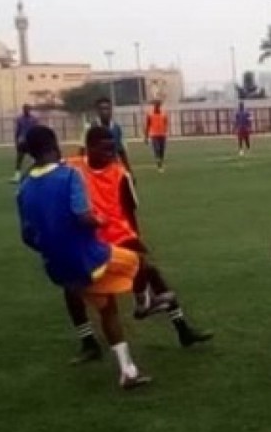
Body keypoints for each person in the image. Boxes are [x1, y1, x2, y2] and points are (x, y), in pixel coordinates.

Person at [15, 126, 150, 389]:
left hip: (58, 269)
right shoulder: (69, 175)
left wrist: (53, 247)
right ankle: (145, 301)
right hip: (89, 258)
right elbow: (83, 217)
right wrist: (100, 220)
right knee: (138, 259)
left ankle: (128, 371)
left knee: (107, 307)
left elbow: (27, 236)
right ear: (54, 145)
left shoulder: (23, 188)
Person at [65, 125, 212, 360]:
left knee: (149, 270)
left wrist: (136, 241)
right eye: (105, 149)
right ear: (89, 148)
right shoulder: (72, 168)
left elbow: (130, 212)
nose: (110, 154)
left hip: (119, 236)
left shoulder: (120, 173)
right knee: (71, 285)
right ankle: (88, 342)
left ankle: (182, 329)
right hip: (89, 239)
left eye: (113, 149)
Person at [87, 97, 131, 172]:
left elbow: (121, 151)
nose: (105, 112)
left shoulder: (117, 128)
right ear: (97, 111)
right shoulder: (90, 127)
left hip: (113, 169)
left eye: (108, 109)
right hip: (96, 169)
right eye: (102, 109)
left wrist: (129, 171)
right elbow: (82, 151)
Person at [12, 104, 37, 182]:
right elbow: (18, 131)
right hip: (23, 142)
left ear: (30, 110)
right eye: (25, 109)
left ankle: (34, 174)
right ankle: (17, 176)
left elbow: (36, 130)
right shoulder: (20, 119)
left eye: (28, 109)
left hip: (31, 141)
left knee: (34, 159)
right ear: (23, 110)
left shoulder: (33, 119)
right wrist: (16, 141)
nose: (26, 111)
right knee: (19, 159)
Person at [144, 99, 169, 173]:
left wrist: (165, 130)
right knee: (157, 149)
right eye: (156, 104)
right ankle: (159, 166)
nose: (157, 105)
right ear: (154, 105)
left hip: (162, 134)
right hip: (154, 135)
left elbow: (165, 122)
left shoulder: (164, 113)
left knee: (162, 151)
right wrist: (146, 137)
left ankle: (160, 162)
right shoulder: (150, 113)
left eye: (158, 104)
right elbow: (148, 125)